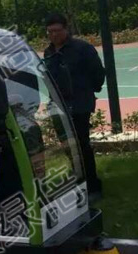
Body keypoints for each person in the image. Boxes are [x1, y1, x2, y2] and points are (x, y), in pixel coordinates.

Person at [43, 13, 106, 200]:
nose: (54, 35)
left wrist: (88, 91)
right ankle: (79, 179)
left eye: (57, 30)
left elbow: (98, 73)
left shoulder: (82, 48)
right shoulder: (48, 53)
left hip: (79, 105)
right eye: (50, 31)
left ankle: (93, 185)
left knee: (81, 145)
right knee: (68, 146)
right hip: (57, 106)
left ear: (66, 29)